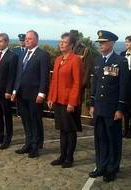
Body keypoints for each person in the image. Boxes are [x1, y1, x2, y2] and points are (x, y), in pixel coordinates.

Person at [89, 30, 129, 182]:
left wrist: (120, 108)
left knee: (113, 139)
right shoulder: (98, 60)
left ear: (111, 43)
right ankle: (101, 165)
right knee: (100, 138)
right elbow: (96, 83)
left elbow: (123, 87)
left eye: (103, 42)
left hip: (112, 109)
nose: (100, 45)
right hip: (99, 107)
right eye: (99, 42)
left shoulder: (120, 61)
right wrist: (92, 104)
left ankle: (112, 168)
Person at [11, 30, 50, 158]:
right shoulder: (22, 55)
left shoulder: (43, 54)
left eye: (30, 39)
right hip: (21, 94)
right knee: (26, 120)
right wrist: (15, 91)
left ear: (36, 40)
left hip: (34, 95)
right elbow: (18, 75)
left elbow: (44, 76)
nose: (27, 40)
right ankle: (28, 143)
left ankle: (36, 146)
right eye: (26, 38)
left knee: (35, 120)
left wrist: (42, 94)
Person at [48, 32, 82, 168]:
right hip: (58, 100)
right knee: (62, 130)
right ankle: (62, 156)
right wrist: (51, 97)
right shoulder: (58, 59)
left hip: (69, 102)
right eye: (60, 41)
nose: (61, 44)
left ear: (72, 45)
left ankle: (69, 158)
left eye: (65, 42)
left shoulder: (76, 60)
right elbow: (54, 81)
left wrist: (72, 102)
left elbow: (77, 83)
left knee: (70, 130)